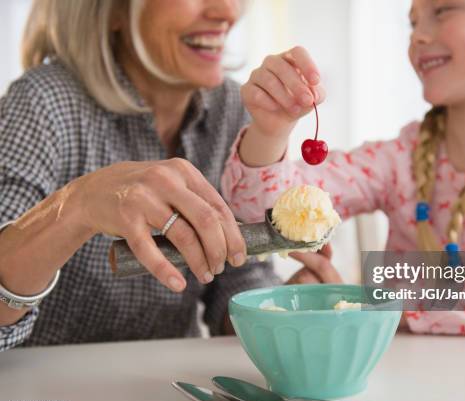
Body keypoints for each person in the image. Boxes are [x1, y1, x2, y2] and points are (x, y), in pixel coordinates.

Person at [221, 0, 465, 335]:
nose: (418, 36)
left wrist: (364, 306)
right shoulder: (401, 156)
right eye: (413, 21)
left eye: (442, 10)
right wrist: (271, 131)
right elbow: (266, 214)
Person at [0, 0, 340, 352]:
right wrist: (77, 206)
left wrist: (275, 311)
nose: (227, 12)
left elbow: (234, 277)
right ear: (114, 10)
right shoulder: (43, 102)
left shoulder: (231, 107)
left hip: (171, 388)